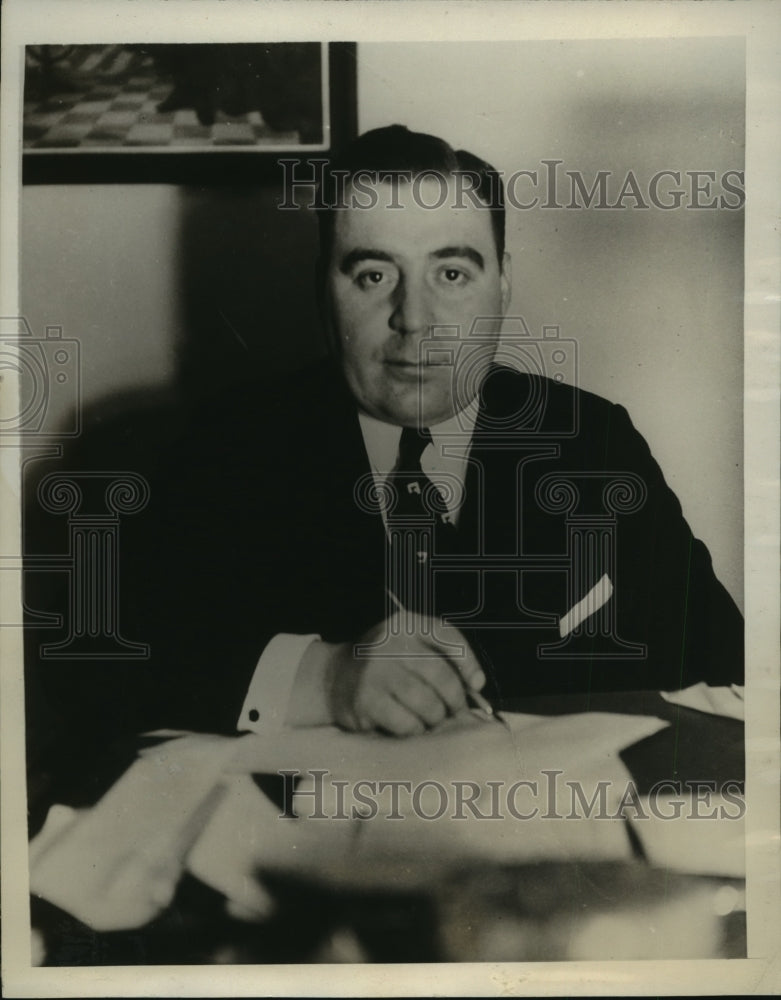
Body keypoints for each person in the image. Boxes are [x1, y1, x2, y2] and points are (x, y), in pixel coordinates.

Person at [28, 125, 744, 796]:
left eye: (452, 273)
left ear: (503, 283)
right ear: (323, 292)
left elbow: (720, 659)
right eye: (372, 275)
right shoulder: (225, 444)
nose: (415, 319)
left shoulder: (589, 438)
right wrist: (322, 677)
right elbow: (91, 664)